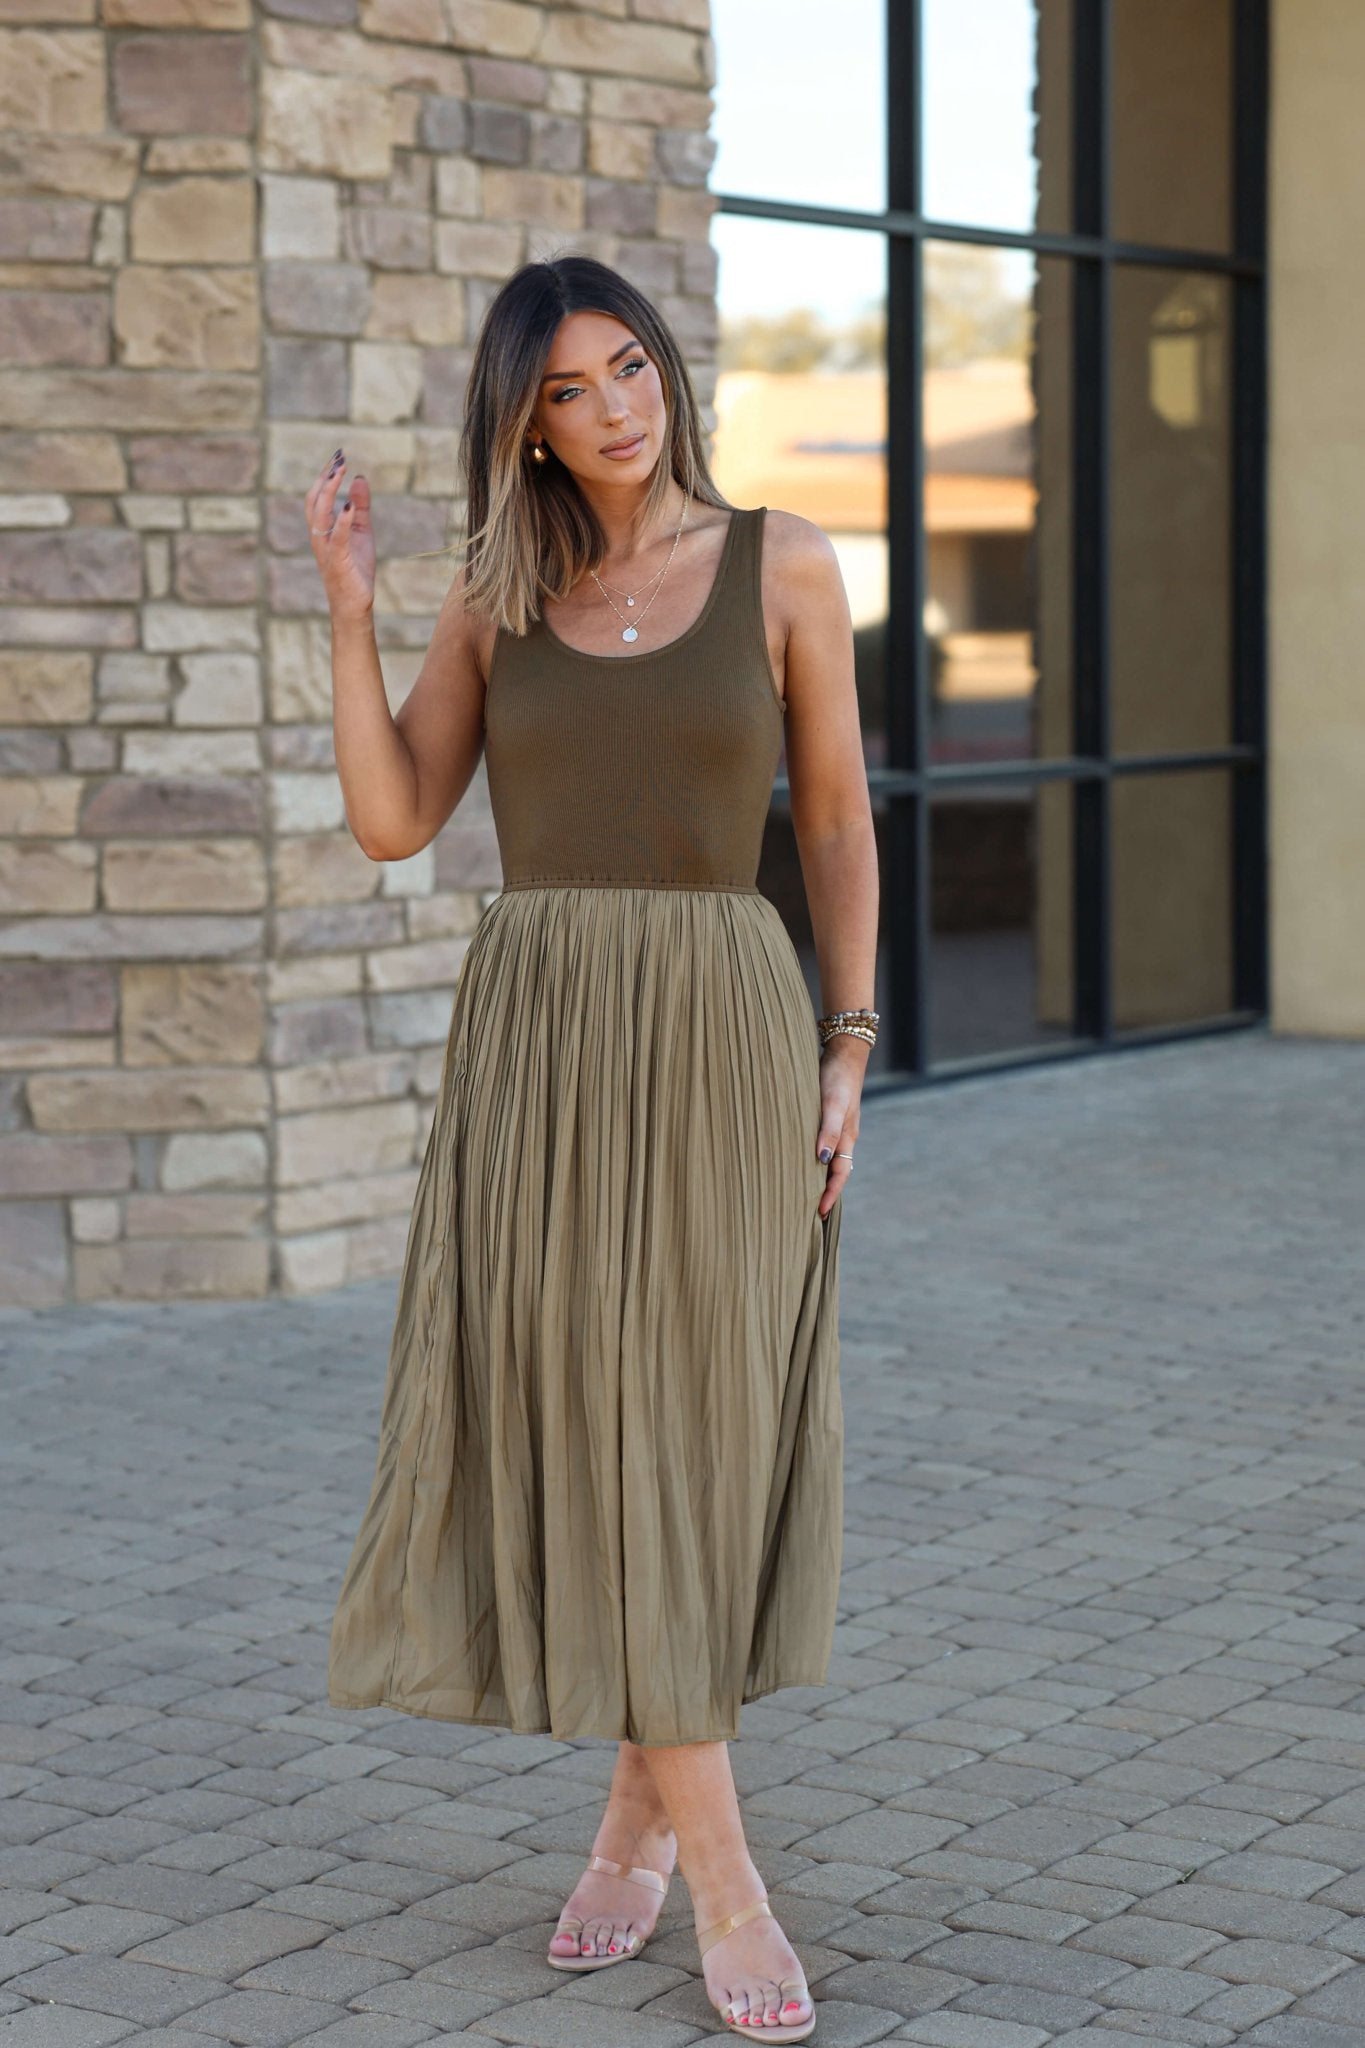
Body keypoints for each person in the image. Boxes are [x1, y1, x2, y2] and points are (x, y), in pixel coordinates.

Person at [312, 254, 878, 2043]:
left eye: (628, 366)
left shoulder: (786, 563)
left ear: (666, 371)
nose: (614, 408)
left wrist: (850, 1040)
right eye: (567, 389)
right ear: (525, 424)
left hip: (722, 1035)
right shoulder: (499, 600)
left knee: (691, 1437)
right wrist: (347, 608)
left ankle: (647, 1837)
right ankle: (717, 1876)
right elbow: (394, 819)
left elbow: (837, 821)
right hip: (542, 1053)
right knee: (600, 1426)